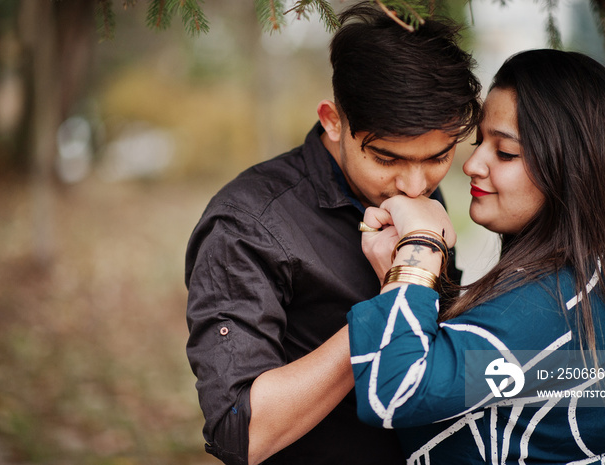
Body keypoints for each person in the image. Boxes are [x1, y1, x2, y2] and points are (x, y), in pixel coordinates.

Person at [184, 2, 481, 464]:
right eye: (387, 159)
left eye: (438, 158)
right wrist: (397, 298)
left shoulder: (416, 194)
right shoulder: (246, 224)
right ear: (332, 120)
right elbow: (243, 433)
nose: (416, 186)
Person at [349, 49, 605, 464]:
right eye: (478, 143)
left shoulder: (547, 307)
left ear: (570, 168)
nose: (472, 164)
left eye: (505, 153)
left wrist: (419, 247)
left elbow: (394, 392)